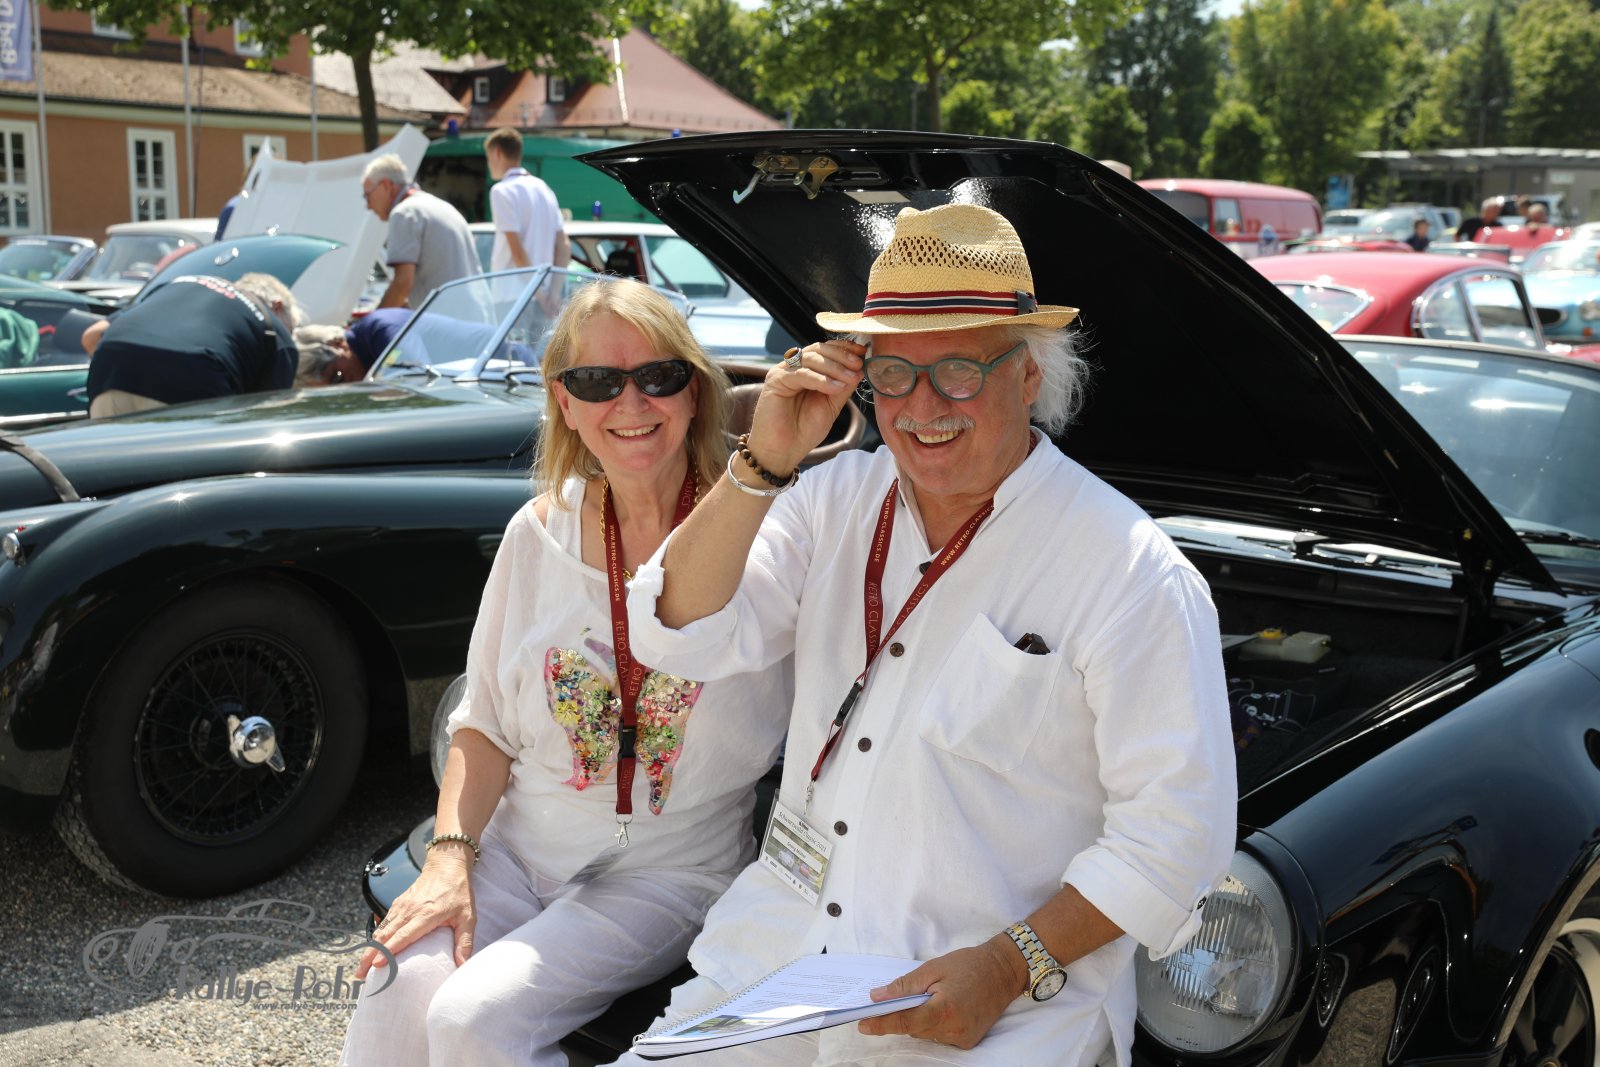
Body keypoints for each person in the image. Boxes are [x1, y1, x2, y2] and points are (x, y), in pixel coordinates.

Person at [615, 203, 1236, 1065]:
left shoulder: (1128, 569)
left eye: (959, 371)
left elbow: (1176, 837)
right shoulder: (832, 499)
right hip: (775, 964)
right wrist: (762, 463)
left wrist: (1008, 964)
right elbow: (675, 630)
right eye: (894, 373)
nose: (922, 405)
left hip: (986, 1011)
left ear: (1029, 374)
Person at [339, 278, 791, 1067]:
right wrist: (448, 857)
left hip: (668, 871)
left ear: (694, 391)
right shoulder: (537, 533)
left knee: (473, 1020)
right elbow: (484, 722)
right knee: (392, 983)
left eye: (657, 375)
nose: (630, 401)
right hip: (518, 848)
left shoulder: (769, 534)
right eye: (596, 380)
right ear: (565, 402)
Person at [82, 273, 302, 417]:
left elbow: (92, 336)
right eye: (291, 327)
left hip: (108, 367)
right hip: (195, 375)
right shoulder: (274, 331)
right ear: (277, 306)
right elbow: (265, 418)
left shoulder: (181, 284)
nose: (288, 335)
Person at [364, 154, 480, 310]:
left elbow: (402, 284)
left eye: (367, 195)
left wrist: (374, 321)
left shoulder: (404, 213)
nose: (368, 206)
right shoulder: (440, 206)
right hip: (475, 315)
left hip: (449, 319)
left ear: (386, 185)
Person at [484, 127, 571, 272]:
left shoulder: (501, 190)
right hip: (544, 282)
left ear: (497, 153)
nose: (488, 164)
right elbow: (564, 246)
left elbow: (518, 254)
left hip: (512, 285)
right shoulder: (544, 188)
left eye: (488, 158)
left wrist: (536, 286)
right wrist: (552, 287)